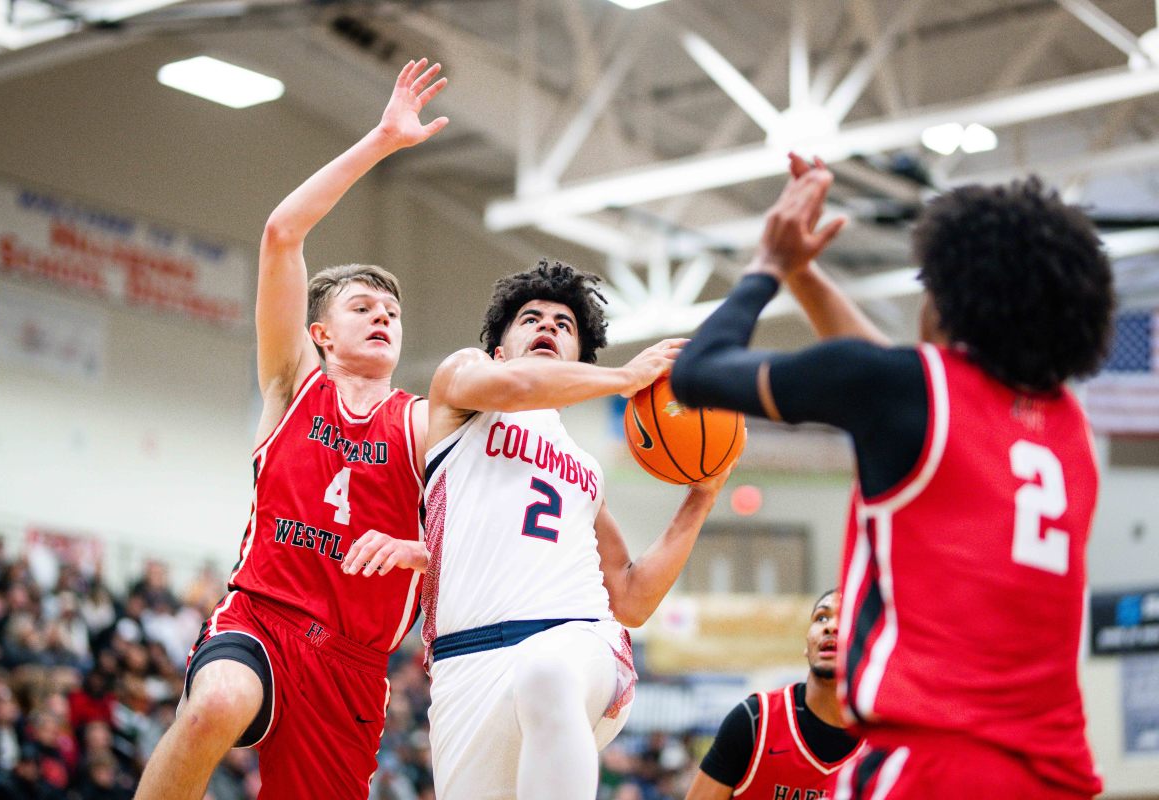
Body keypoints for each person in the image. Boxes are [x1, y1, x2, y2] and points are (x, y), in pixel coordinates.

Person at [670, 157, 1114, 799]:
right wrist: (805, 272)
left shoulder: (909, 393)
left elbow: (700, 371)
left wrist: (768, 263)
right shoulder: (1069, 430)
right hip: (1057, 778)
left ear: (956, 299)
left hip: (936, 764)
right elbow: (896, 384)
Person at [135, 58, 449, 800]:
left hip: (352, 664)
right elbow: (282, 233)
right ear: (320, 332)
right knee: (215, 704)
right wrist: (379, 141)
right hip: (262, 617)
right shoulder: (293, 382)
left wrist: (420, 549)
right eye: (363, 306)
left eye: (393, 313)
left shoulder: (424, 423)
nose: (382, 315)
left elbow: (486, 535)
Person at [405, 259, 734, 800]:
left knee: (546, 672)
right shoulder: (461, 385)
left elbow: (628, 597)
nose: (548, 327)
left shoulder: (587, 470)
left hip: (577, 641)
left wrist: (702, 499)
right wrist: (625, 378)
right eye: (531, 318)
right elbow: (517, 387)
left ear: (578, 358)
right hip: (465, 667)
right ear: (498, 351)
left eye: (564, 325)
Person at [686, 589, 861, 800]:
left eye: (846, 618)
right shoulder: (754, 721)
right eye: (821, 617)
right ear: (807, 645)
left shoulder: (889, 742)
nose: (830, 627)